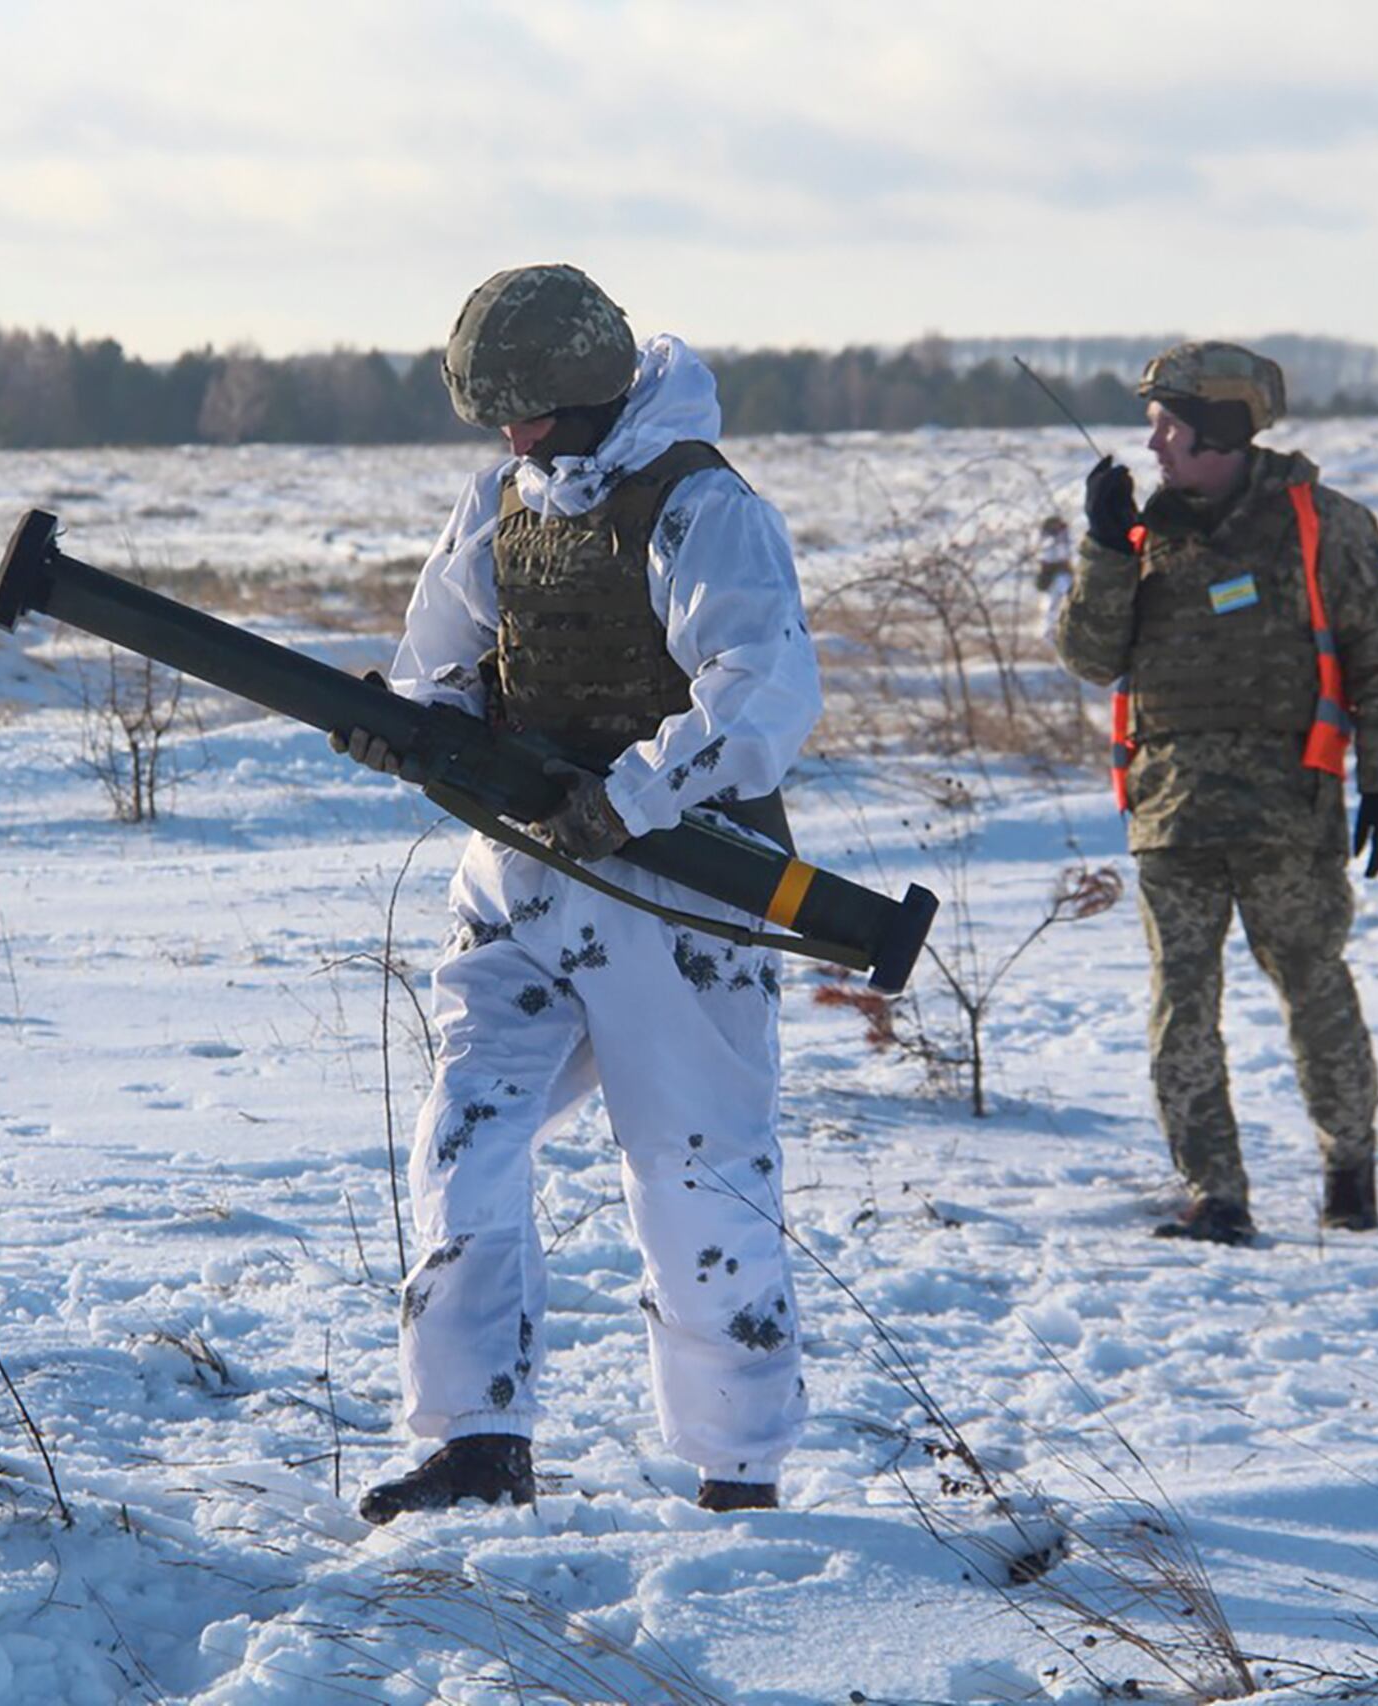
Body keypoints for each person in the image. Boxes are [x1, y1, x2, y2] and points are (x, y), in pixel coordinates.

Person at [333, 264, 820, 1519]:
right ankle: (475, 1435)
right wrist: (413, 728)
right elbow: (440, 660)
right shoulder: (503, 498)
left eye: (530, 408)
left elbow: (759, 694)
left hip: (679, 899)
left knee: (698, 1175)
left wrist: (632, 794)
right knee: (464, 1139)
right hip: (517, 884)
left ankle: (737, 1467)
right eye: (494, 411)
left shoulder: (700, 507)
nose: (512, 434)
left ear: (595, 385)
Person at [1052, 341, 1378, 1246]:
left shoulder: (1325, 525)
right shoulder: (1142, 535)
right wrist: (1101, 547)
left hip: (1290, 813)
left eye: (1170, 427)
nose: (1156, 447)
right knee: (1182, 1006)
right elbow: (1093, 657)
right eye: (1152, 428)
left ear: (1222, 429)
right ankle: (1214, 1192)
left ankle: (1350, 1173)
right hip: (1171, 813)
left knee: (1315, 989)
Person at [1034, 514, 1074, 641]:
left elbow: (1065, 553)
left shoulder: (1064, 535)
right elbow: (1045, 554)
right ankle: (1049, 633)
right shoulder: (1044, 538)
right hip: (1050, 574)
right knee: (1050, 604)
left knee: (1067, 599)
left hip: (1062, 572)